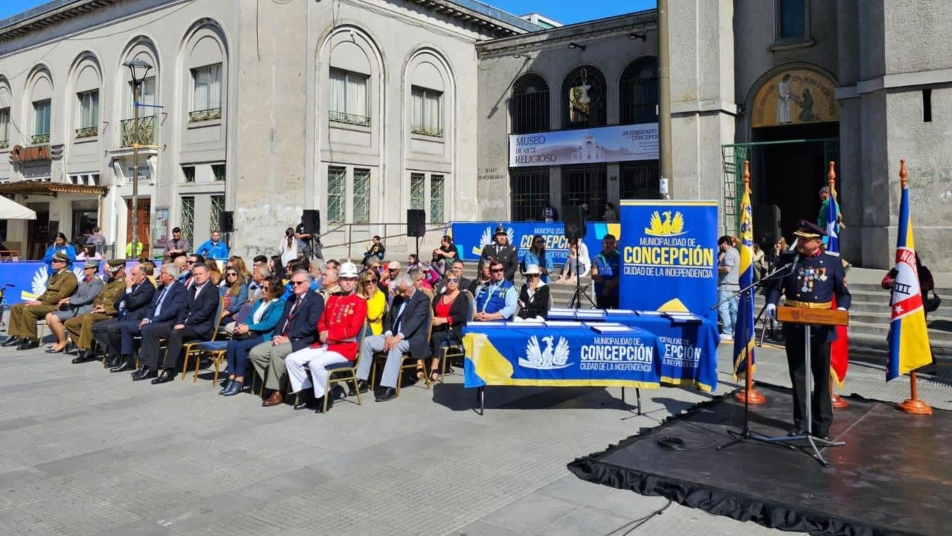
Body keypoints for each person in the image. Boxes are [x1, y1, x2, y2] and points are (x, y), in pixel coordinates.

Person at [765, 220, 851, 440]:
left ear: (818, 242)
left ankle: (822, 425)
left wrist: (840, 309)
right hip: (794, 324)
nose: (800, 243)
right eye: (800, 238)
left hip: (822, 327)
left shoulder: (832, 262)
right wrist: (772, 303)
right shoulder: (788, 259)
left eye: (804, 239)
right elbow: (775, 287)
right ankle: (802, 423)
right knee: (799, 376)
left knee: (821, 377)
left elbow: (843, 292)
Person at [285, 262, 367, 411]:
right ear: (339, 281)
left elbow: (352, 330)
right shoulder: (333, 298)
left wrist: (329, 335)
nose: (348, 282)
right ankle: (306, 391)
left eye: (351, 279)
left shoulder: (360, 302)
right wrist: (322, 331)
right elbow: (321, 320)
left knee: (315, 364)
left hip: (344, 348)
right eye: (345, 279)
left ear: (356, 281)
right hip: (325, 345)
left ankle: (324, 396)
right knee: (291, 359)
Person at [134, 262, 220, 384]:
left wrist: (185, 323)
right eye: (195, 274)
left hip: (200, 328)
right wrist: (180, 321)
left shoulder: (212, 291)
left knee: (176, 333)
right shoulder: (192, 288)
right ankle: (150, 367)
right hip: (183, 324)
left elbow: (204, 313)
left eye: (200, 274)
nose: (198, 276)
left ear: (207, 274)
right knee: (150, 329)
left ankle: (168, 370)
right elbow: (183, 309)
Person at [249, 271, 324, 407]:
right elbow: (282, 321)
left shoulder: (316, 299)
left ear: (308, 284)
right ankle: (277, 382)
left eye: (298, 283)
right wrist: (277, 335)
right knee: (256, 353)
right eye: (292, 282)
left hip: (303, 340)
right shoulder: (291, 300)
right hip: (284, 338)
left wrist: (289, 338)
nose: (294, 285)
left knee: (276, 352)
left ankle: (277, 391)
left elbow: (311, 326)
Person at [354, 274, 431, 402]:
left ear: (411, 286)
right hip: (393, 335)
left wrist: (399, 337)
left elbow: (415, 322)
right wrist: (389, 334)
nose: (401, 294)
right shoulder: (397, 299)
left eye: (404, 291)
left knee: (396, 346)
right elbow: (389, 319)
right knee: (368, 342)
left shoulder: (422, 299)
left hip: (412, 338)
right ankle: (361, 380)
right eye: (399, 291)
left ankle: (389, 387)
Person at [110, 264, 185, 373]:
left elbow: (172, 310)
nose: (160, 275)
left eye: (163, 273)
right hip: (151, 320)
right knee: (126, 327)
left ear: (171, 276)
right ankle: (128, 360)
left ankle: (149, 366)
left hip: (167, 323)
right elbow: (151, 307)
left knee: (147, 329)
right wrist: (146, 318)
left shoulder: (179, 289)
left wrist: (151, 321)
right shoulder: (160, 288)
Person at [219, 276, 285, 397]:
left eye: (266, 288)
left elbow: (270, 323)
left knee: (241, 346)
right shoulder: (260, 302)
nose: (263, 290)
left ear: (275, 290)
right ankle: (231, 376)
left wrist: (249, 328)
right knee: (232, 343)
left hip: (265, 335)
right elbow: (250, 317)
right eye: (262, 287)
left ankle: (239, 378)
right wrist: (242, 326)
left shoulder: (279, 304)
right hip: (251, 333)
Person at [3, 252, 78, 350]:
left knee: (29, 309)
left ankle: (31, 338)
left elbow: (60, 296)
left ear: (64, 264)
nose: (53, 263)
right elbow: (47, 293)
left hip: (58, 306)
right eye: (53, 261)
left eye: (56, 261)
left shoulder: (70, 277)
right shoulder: (55, 275)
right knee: (16, 307)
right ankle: (17, 335)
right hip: (48, 303)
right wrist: (37, 300)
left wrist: (41, 303)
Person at [64, 260, 131, 363]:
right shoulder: (110, 281)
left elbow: (124, 301)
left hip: (111, 314)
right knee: (70, 323)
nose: (113, 273)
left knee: (88, 318)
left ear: (123, 269)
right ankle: (89, 346)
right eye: (112, 271)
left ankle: (87, 351)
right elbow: (99, 297)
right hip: (99, 311)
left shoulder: (126, 282)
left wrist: (106, 309)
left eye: (116, 271)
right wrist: (97, 306)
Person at [92, 262, 156, 369]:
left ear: (143, 275)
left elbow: (132, 305)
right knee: (97, 328)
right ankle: (117, 351)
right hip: (123, 316)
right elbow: (117, 303)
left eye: (134, 274)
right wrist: (124, 301)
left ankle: (120, 356)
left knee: (112, 328)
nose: (131, 277)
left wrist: (129, 290)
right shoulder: (133, 285)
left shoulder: (148, 288)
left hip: (135, 318)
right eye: (131, 274)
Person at [45, 260, 104, 354]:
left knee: (54, 318)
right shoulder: (85, 280)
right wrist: (67, 298)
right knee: (48, 316)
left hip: (85, 308)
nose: (84, 270)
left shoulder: (96, 282)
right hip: (76, 306)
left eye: (87, 268)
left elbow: (88, 298)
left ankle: (63, 342)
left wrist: (71, 301)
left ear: (94, 269)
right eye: (84, 268)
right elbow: (77, 295)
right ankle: (59, 341)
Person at [427, 273, 468, 381]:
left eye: (455, 280)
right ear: (445, 281)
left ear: (458, 282)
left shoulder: (462, 297)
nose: (451, 282)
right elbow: (431, 312)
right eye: (449, 280)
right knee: (421, 334)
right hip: (436, 326)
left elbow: (461, 316)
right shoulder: (439, 296)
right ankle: (419, 366)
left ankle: (434, 367)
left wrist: (443, 320)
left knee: (436, 337)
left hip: (454, 328)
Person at [716, 235, 740, 340]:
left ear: (725, 243)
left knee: (723, 309)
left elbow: (727, 269)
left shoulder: (729, 253)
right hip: (735, 285)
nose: (720, 247)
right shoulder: (736, 252)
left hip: (726, 285)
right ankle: (736, 331)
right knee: (734, 310)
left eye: (721, 245)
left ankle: (727, 331)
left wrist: (715, 267)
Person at [591, 234, 621, 309]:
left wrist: (609, 287)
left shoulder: (620, 258)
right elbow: (594, 275)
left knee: (616, 316)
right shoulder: (596, 258)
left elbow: (622, 275)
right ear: (602, 244)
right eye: (606, 243)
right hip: (601, 293)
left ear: (615, 244)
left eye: (611, 243)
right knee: (602, 317)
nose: (608, 245)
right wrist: (605, 283)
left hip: (616, 293)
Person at [358, 269, 386, 336]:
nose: (371, 284)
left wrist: (371, 296)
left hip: (372, 329)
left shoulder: (380, 295)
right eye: (368, 281)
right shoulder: (358, 295)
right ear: (362, 283)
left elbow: (372, 316)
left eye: (374, 281)